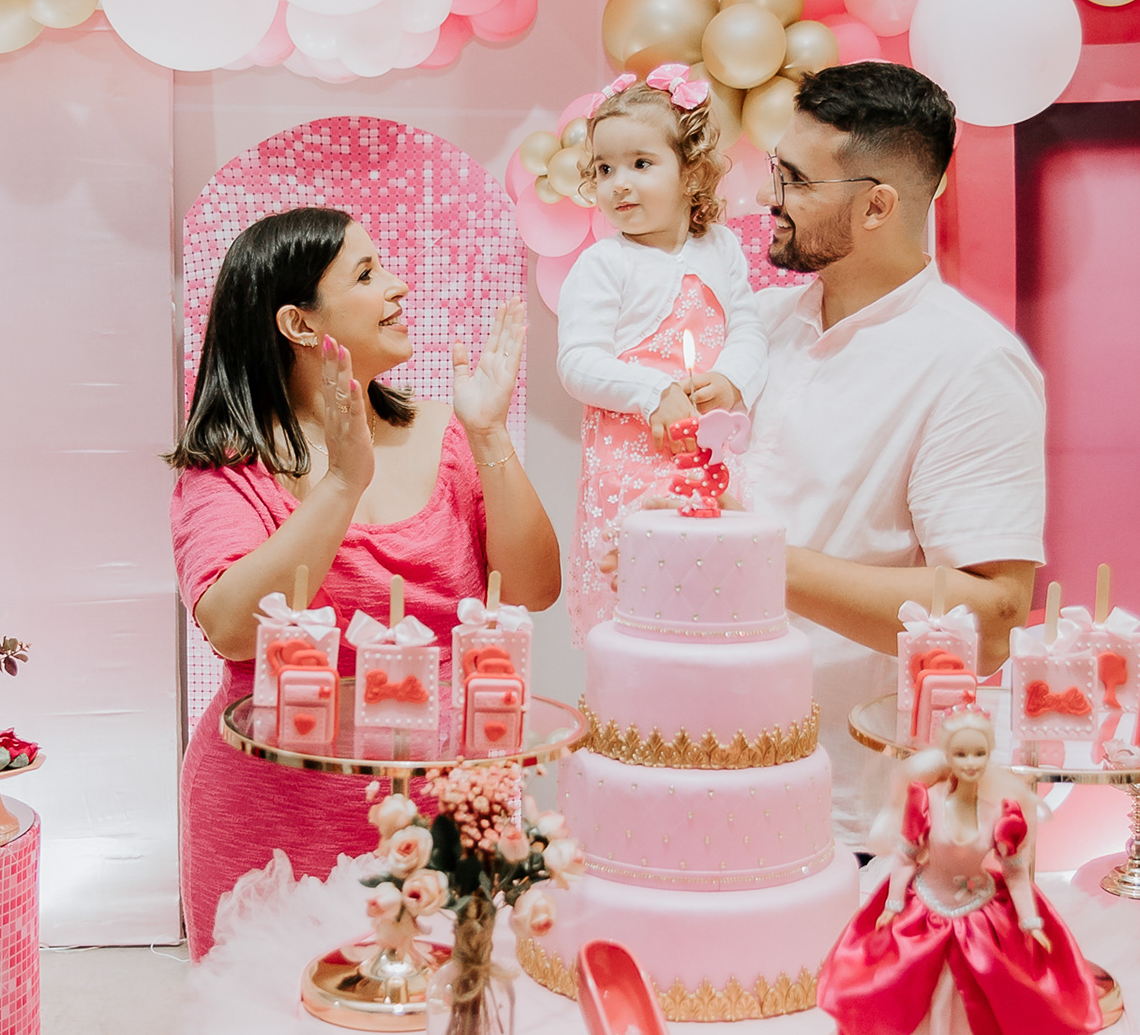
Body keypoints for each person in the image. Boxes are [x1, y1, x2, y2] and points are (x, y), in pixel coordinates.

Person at [169, 207, 560, 956]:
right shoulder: (229, 468)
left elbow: (536, 586)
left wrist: (489, 433)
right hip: (275, 816)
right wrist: (343, 484)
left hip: (447, 809)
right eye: (367, 274)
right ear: (299, 323)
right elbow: (230, 626)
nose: (398, 286)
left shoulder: (450, 433)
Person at [748, 62, 1045, 851]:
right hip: (705, 760)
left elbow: (992, 617)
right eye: (777, 169)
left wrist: (754, 560)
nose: (769, 196)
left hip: (845, 808)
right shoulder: (756, 326)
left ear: (878, 204)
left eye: (796, 180)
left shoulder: (969, 364)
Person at [555, 64, 768, 645]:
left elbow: (749, 330)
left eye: (641, 164)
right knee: (638, 607)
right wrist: (654, 392)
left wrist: (732, 379)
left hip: (711, 459)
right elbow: (578, 362)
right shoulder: (604, 264)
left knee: (715, 601)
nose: (618, 184)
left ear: (690, 173)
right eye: (604, 169)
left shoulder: (720, 246)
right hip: (629, 468)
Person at [816, 707, 1101, 1035]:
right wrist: (892, 904)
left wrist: (1030, 922)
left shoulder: (1001, 813)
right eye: (961, 754)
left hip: (980, 912)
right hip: (925, 907)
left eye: (979, 753)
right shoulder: (926, 801)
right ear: (947, 754)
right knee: (911, 979)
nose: (970, 762)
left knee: (988, 982)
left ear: (989, 754)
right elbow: (907, 857)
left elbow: (1015, 872)